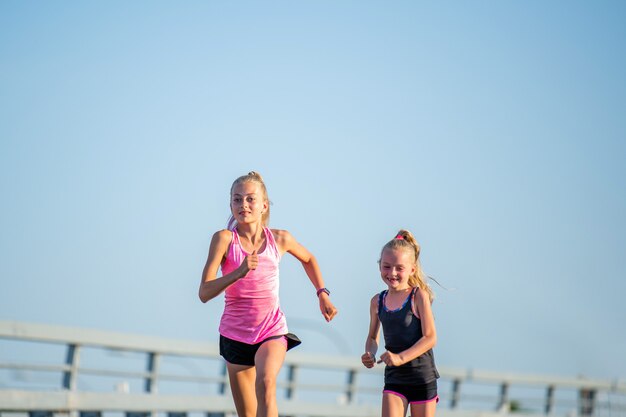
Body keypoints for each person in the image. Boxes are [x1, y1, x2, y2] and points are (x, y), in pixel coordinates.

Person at [199, 171, 338, 417]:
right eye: (237, 199)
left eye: (250, 199)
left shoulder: (279, 239)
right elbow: (204, 292)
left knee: (266, 383)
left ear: (264, 205)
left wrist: (322, 294)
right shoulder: (223, 240)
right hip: (235, 334)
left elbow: (309, 258)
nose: (243, 205)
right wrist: (237, 273)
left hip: (271, 330)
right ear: (230, 204)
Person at [361, 229, 440, 417]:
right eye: (386, 267)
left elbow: (430, 338)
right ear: (380, 266)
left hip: (422, 378)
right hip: (395, 379)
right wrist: (369, 353)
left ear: (412, 269)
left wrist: (400, 358)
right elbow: (373, 337)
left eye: (399, 268)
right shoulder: (377, 302)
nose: (392, 273)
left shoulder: (418, 296)